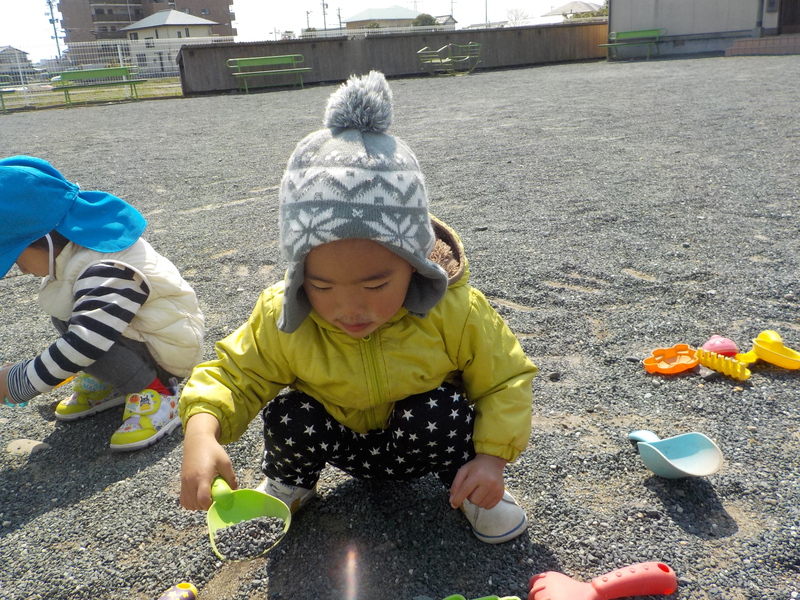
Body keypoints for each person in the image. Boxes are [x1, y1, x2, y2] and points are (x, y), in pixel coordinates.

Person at [179, 71, 537, 544]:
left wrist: (492, 458)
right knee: (290, 411)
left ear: (414, 263)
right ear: (300, 271)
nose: (349, 307)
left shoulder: (455, 311)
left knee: (444, 408)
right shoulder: (285, 316)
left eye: (376, 283)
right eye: (323, 285)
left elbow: (506, 379)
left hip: (421, 441)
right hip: (340, 442)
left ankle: (469, 484)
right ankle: (290, 483)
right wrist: (201, 432)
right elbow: (231, 374)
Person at [0, 156, 205, 451]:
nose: (19, 269)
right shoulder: (76, 255)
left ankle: (159, 391)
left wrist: (19, 381)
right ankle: (115, 383)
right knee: (66, 310)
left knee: (85, 330)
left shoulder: (104, 266)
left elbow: (86, 342)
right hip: (141, 335)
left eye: (16, 257)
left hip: (169, 349)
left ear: (43, 239)